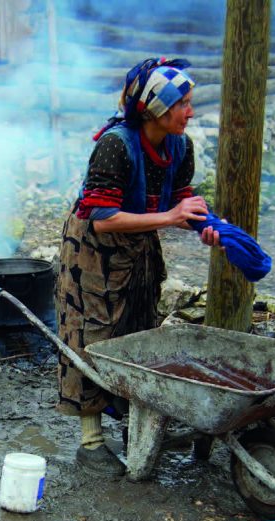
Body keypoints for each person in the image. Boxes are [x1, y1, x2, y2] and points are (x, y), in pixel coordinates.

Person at [55, 57, 223, 476]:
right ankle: (91, 441)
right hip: (93, 249)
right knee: (92, 333)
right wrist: (170, 217)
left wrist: (203, 225)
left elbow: (179, 197)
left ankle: (135, 419)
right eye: (182, 103)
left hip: (138, 245)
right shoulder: (116, 145)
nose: (190, 112)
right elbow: (102, 217)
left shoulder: (179, 146)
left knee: (138, 327)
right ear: (155, 109)